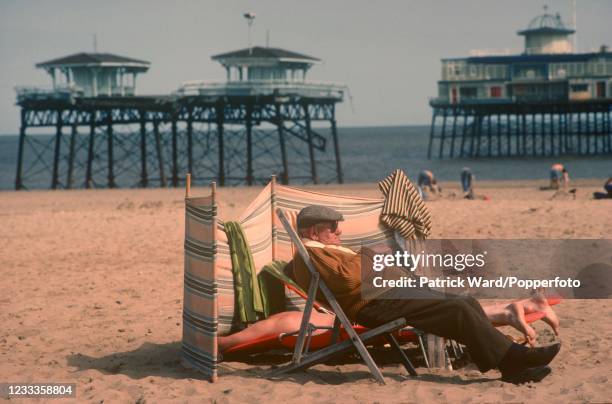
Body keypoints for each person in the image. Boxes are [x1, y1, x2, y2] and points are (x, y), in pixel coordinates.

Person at [289, 205, 561, 384]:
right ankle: (513, 359)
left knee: (465, 303)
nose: (339, 231)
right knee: (459, 307)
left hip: (390, 295)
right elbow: (348, 278)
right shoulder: (313, 251)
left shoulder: (323, 249)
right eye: (333, 227)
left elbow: (352, 272)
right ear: (314, 231)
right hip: (377, 303)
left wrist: (369, 261)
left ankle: (511, 364)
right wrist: (370, 255)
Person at [218, 293, 559, 351]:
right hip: (349, 318)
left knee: (451, 307)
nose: (339, 233)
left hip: (349, 318)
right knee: (450, 308)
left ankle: (510, 310)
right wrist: (222, 345)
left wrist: (219, 344)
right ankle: (511, 310)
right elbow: (247, 339)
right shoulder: (286, 321)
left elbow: (241, 340)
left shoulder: (285, 320)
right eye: (334, 230)